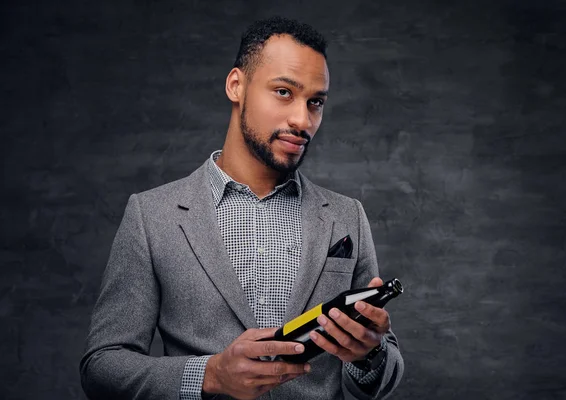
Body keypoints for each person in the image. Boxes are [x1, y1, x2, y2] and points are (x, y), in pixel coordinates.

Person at [80, 16, 404, 400]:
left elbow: (382, 380)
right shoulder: (152, 216)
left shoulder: (347, 216)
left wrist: (370, 355)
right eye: (284, 92)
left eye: (315, 102)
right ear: (237, 85)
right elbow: (102, 367)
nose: (303, 120)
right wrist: (210, 374)